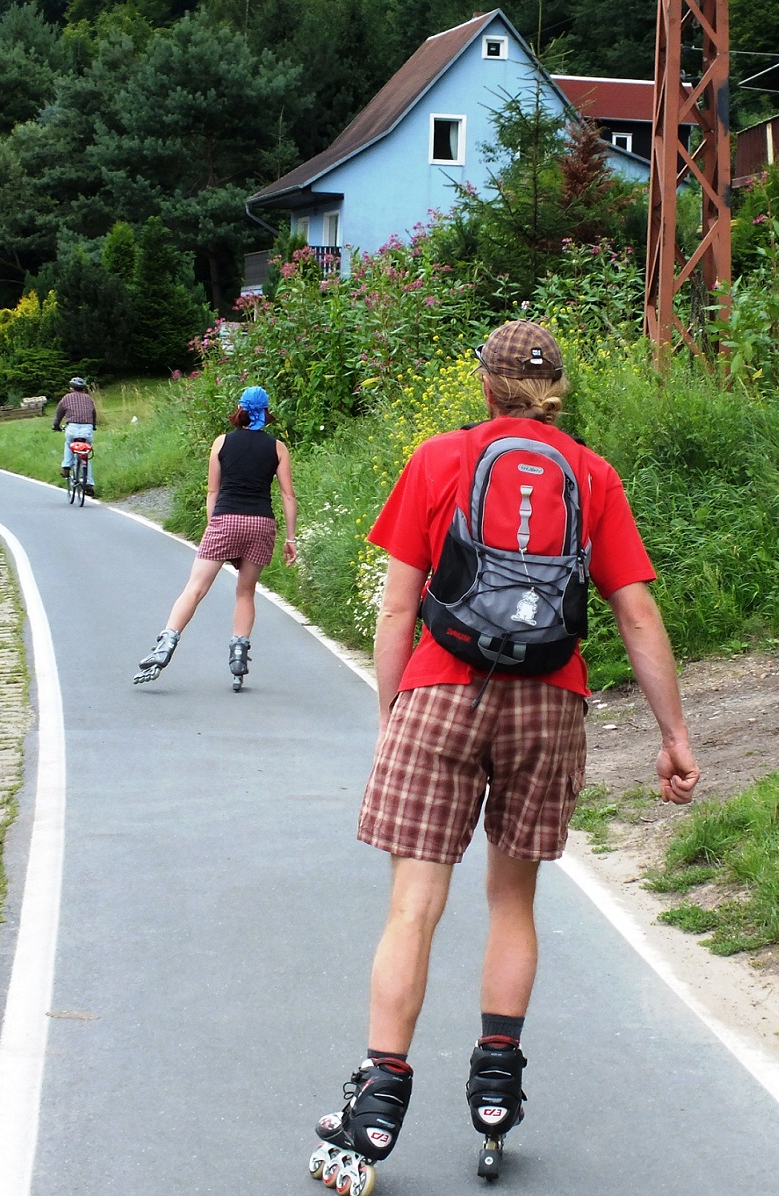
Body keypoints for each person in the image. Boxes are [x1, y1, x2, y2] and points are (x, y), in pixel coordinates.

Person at [307, 321, 701, 1192]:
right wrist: (673, 737)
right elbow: (636, 615)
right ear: (558, 388)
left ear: (484, 386)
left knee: (414, 904)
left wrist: (394, 715)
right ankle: (495, 1077)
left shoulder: (439, 458)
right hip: (549, 701)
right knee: (511, 897)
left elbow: (395, 608)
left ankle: (379, 1096)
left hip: (440, 690)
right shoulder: (592, 474)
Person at [133, 386, 298, 691]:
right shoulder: (278, 448)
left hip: (225, 519)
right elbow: (288, 495)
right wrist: (291, 538)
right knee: (245, 592)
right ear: (267, 412)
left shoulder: (221, 442)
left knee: (195, 588)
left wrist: (215, 528)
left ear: (240, 409)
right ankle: (239, 654)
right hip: (261, 523)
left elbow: (213, 491)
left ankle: (166, 643)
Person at [51, 377, 98, 494]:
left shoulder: (66, 398)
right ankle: (89, 483)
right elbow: (94, 414)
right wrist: (94, 426)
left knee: (69, 444)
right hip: (87, 428)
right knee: (85, 454)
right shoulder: (89, 399)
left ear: (71, 388)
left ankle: (66, 467)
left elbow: (59, 414)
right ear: (83, 389)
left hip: (72, 427)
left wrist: (56, 426)